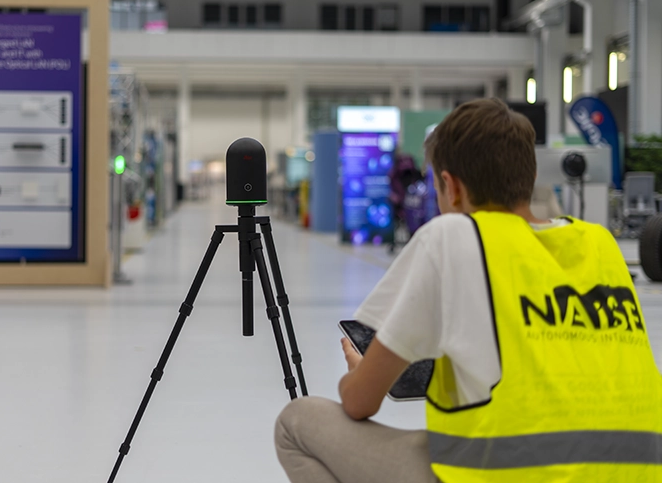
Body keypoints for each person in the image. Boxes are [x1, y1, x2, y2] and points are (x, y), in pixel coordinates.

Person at [274, 98, 662, 483]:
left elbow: (360, 403)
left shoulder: (456, 235)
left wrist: (360, 374)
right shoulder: (599, 243)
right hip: (638, 472)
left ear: (450, 187)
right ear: (529, 177)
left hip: (512, 474)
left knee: (296, 423)